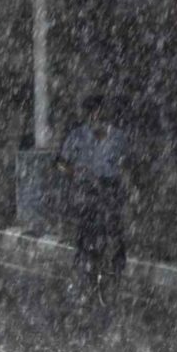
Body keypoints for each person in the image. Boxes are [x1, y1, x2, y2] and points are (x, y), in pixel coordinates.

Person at [55, 94, 128, 306]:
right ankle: (83, 276)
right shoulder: (77, 136)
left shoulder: (118, 139)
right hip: (85, 191)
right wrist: (74, 172)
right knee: (85, 235)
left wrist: (125, 186)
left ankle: (114, 274)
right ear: (88, 116)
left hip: (111, 191)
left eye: (102, 113)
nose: (98, 117)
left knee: (115, 234)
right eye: (94, 113)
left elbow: (126, 167)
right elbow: (61, 162)